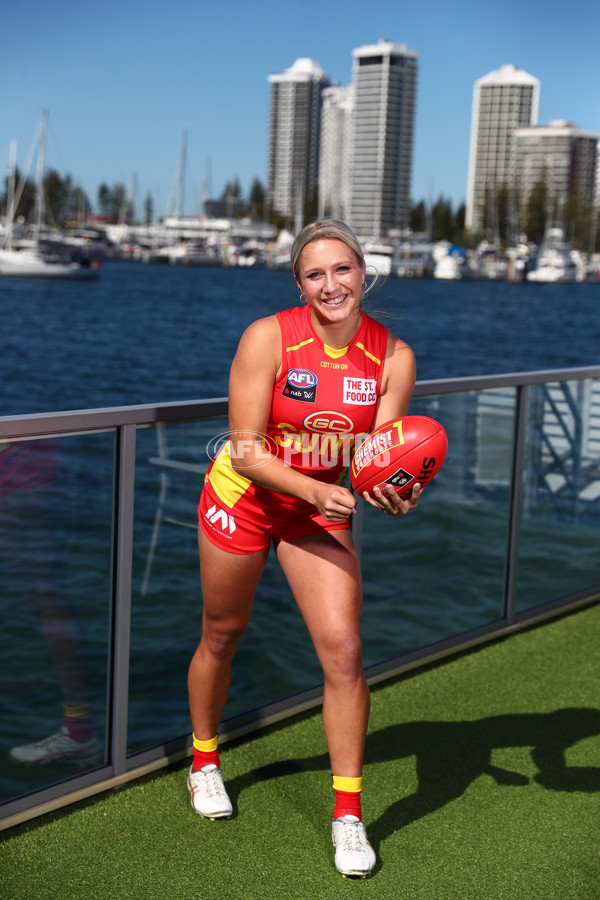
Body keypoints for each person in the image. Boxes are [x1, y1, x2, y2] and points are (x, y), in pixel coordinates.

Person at [187, 219, 420, 878]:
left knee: (345, 651)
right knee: (222, 634)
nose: (331, 284)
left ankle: (349, 815)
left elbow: (382, 458)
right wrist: (319, 493)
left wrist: (393, 491)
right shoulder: (268, 337)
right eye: (315, 274)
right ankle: (205, 760)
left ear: (362, 273)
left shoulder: (393, 358)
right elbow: (246, 449)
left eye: (341, 270)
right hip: (244, 500)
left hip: (314, 512)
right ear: (299, 284)